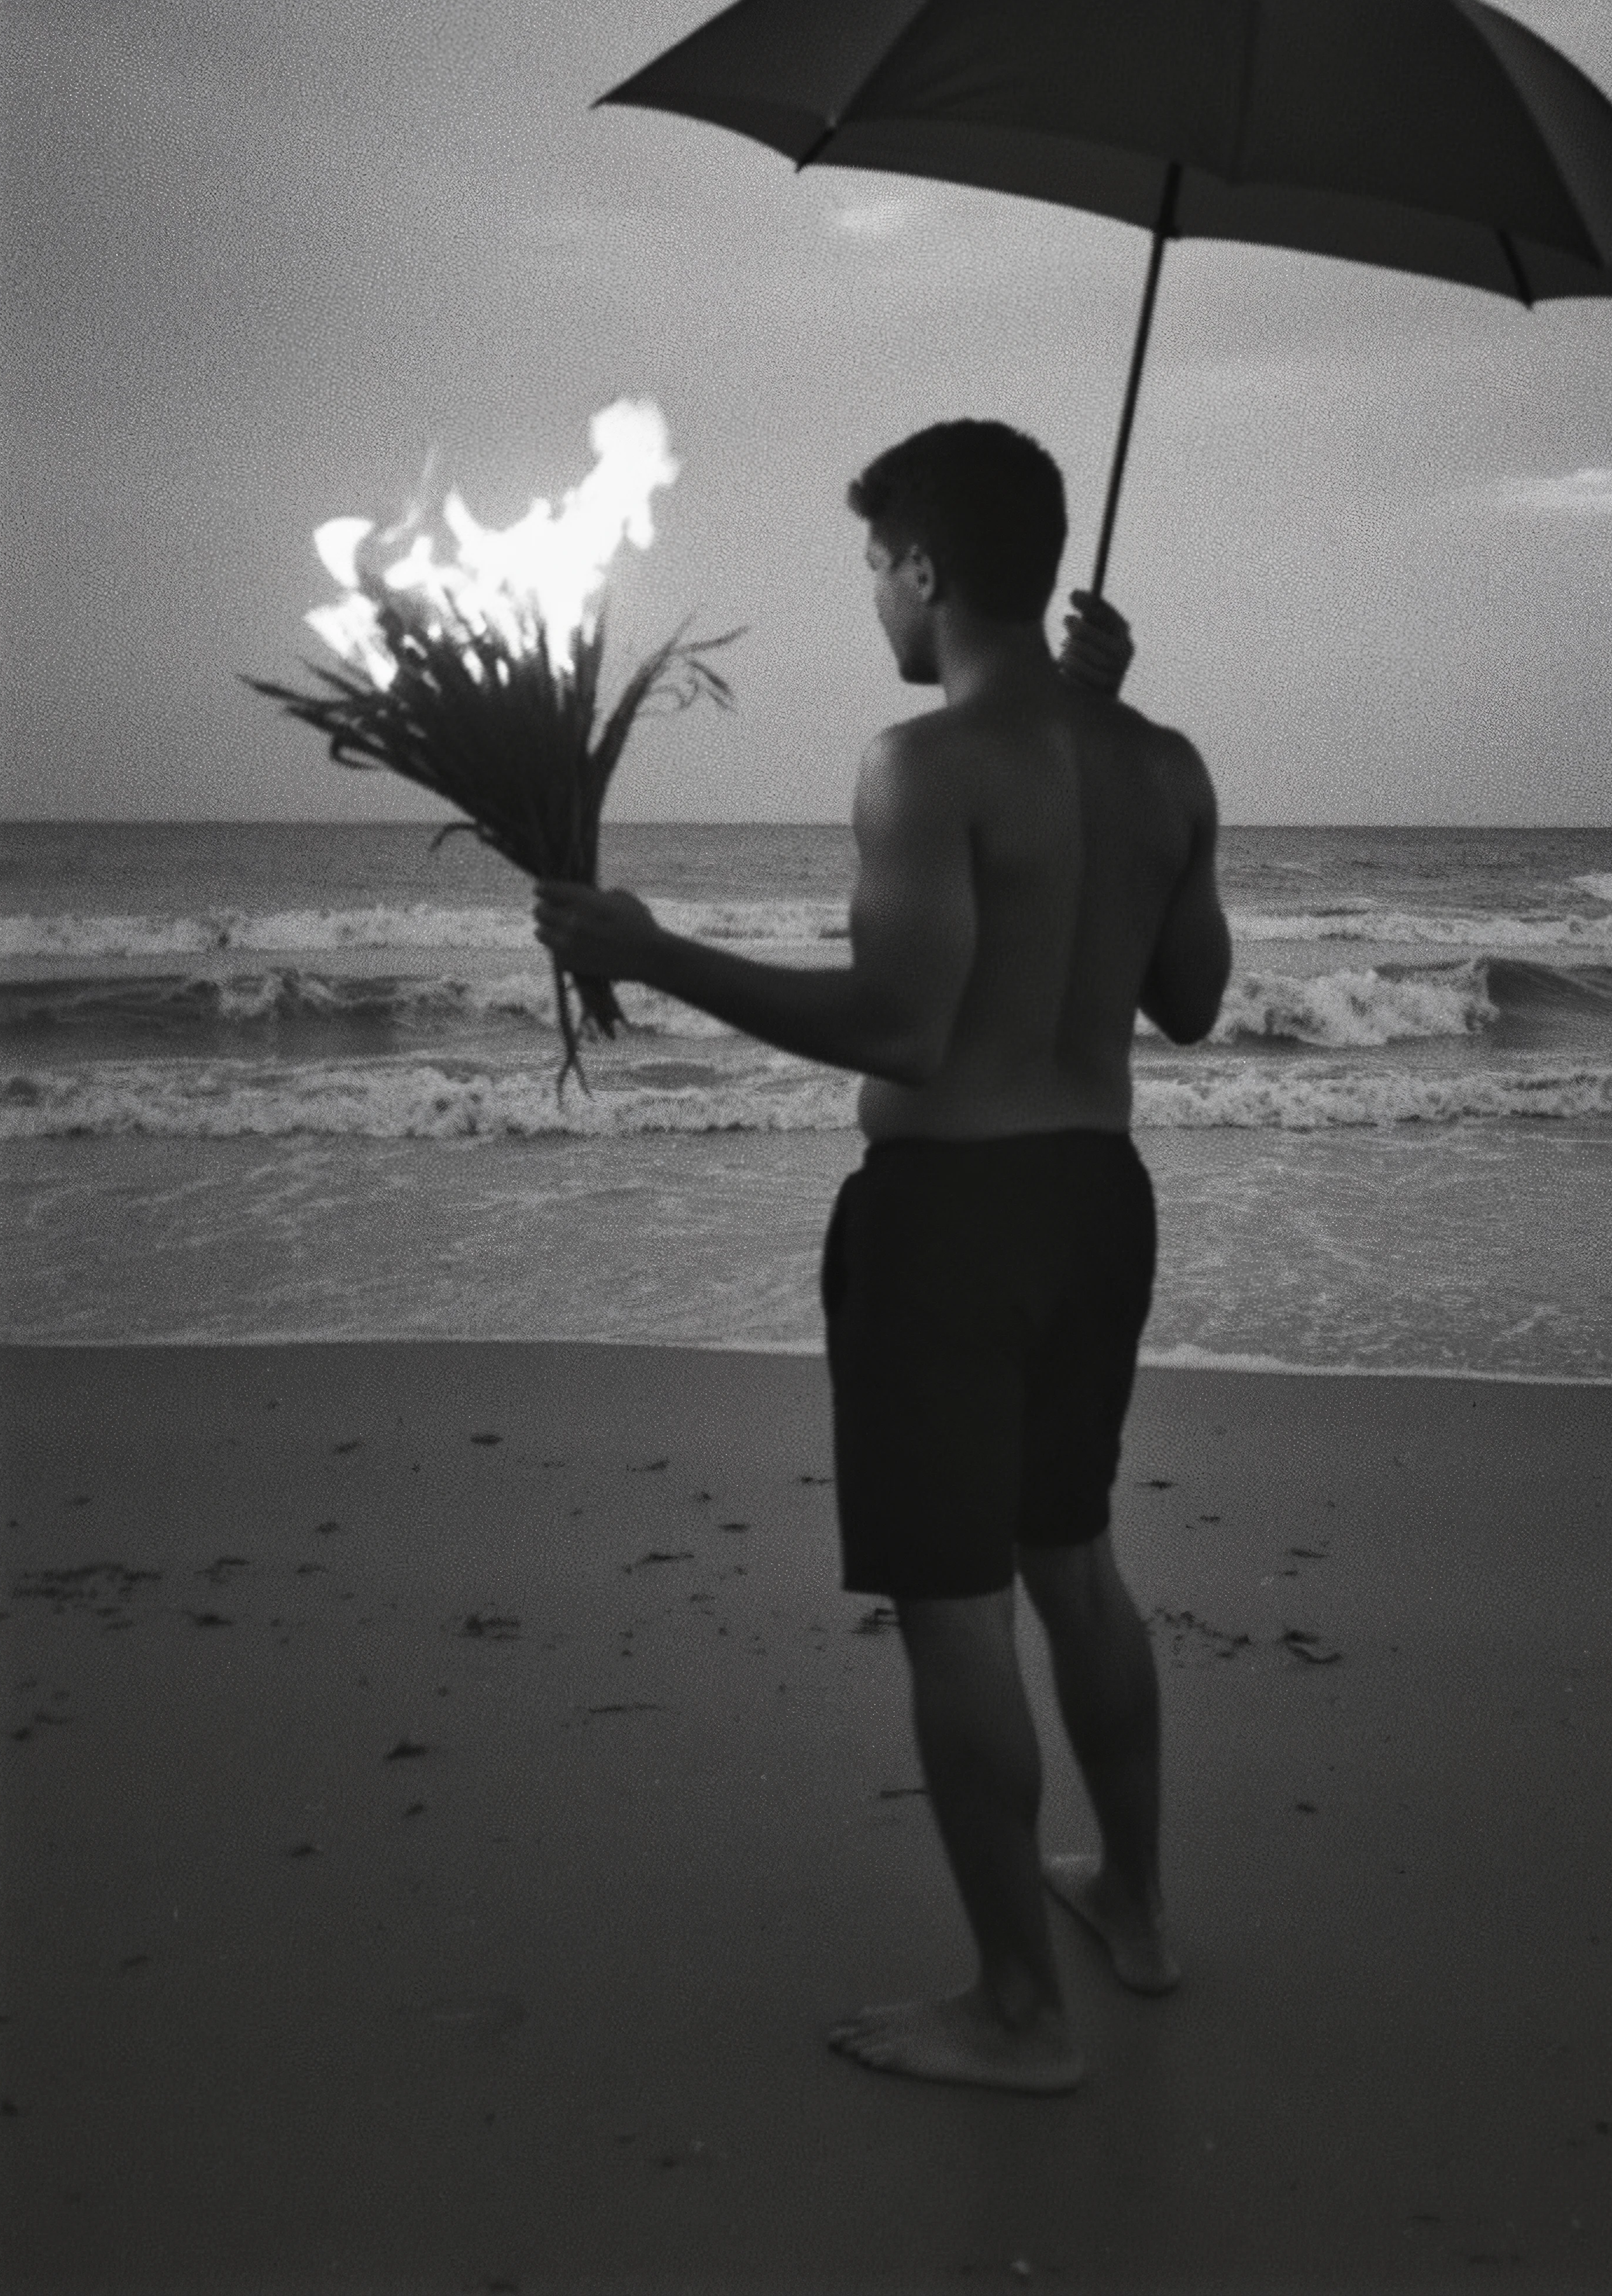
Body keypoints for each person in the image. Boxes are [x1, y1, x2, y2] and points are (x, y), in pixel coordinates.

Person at [534, 419, 1231, 2095]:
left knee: (955, 1608)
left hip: (949, 1228)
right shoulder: (1163, 762)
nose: (871, 596)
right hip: (1097, 1202)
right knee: (1072, 1553)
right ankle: (1131, 1912)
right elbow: (1191, 1002)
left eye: (873, 563)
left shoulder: (918, 767)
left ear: (923, 568)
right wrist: (1111, 715)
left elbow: (904, 1031)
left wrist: (655, 949)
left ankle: (1015, 2012)